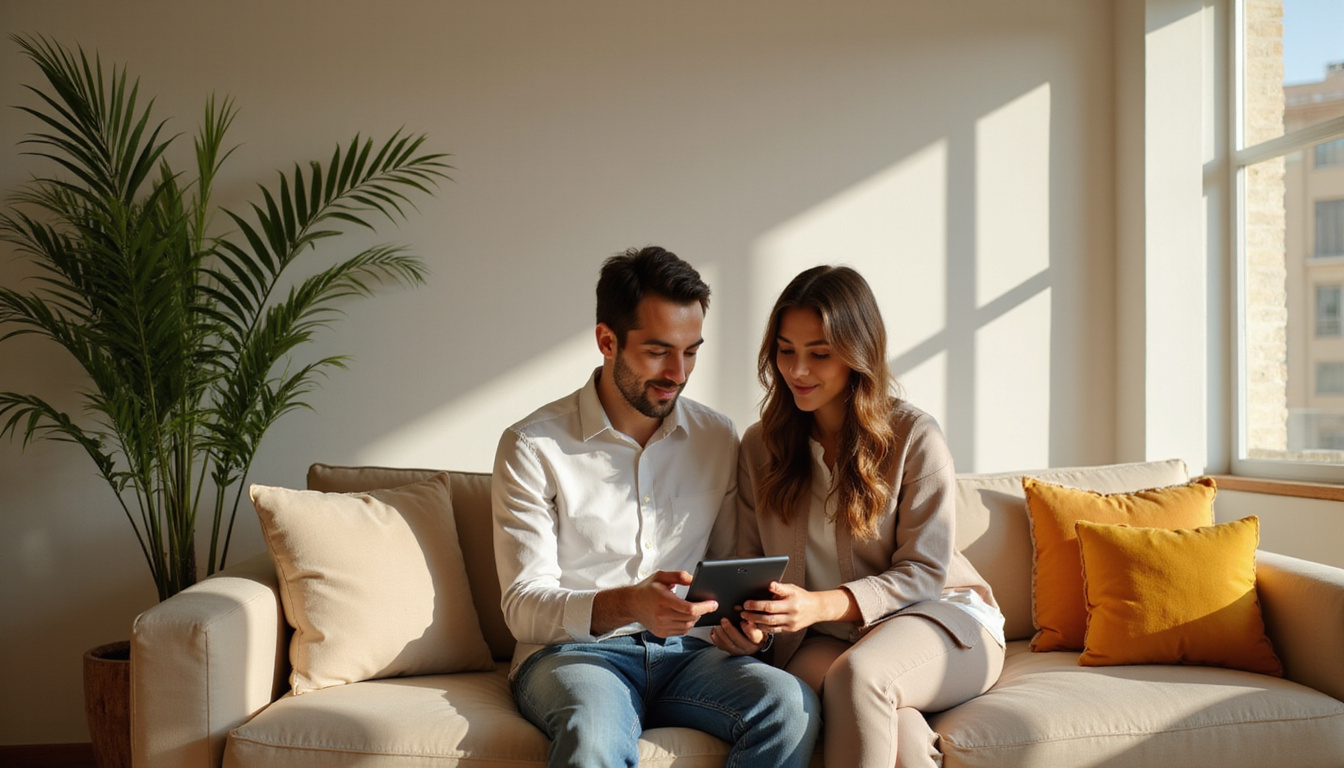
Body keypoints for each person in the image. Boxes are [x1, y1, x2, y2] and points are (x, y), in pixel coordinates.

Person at [492, 246, 821, 768]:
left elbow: (728, 566)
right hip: (575, 656)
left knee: (790, 705)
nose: (678, 371)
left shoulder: (716, 436)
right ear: (607, 340)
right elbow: (523, 607)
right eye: (657, 351)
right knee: (594, 735)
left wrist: (745, 631)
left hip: (693, 657)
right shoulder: (533, 446)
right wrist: (628, 605)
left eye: (691, 351)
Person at [712, 265, 1006, 768]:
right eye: (786, 351)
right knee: (900, 742)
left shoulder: (914, 436)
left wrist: (820, 605)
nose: (798, 370)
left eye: (819, 354)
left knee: (860, 676)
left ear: (857, 354)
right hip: (830, 639)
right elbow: (751, 567)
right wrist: (752, 629)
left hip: (941, 620)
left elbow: (925, 573)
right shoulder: (761, 446)